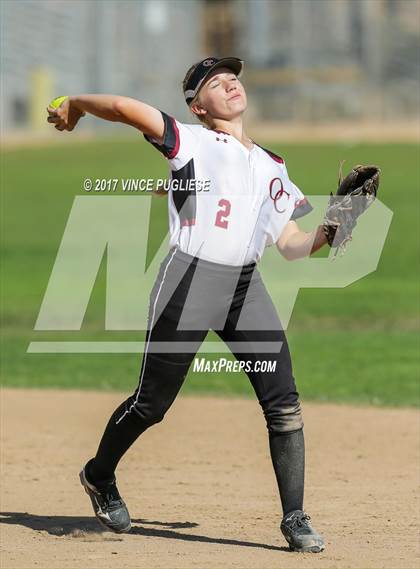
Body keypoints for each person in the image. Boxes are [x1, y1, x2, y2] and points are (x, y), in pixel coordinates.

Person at [47, 57, 330, 553]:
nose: (230, 83)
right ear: (199, 106)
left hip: (245, 289)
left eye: (232, 76)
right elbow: (120, 107)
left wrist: (335, 226)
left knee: (283, 402)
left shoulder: (273, 165)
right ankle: (98, 474)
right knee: (151, 405)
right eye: (214, 83)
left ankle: (295, 517)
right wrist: (75, 104)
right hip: (189, 282)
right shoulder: (190, 142)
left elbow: (291, 245)